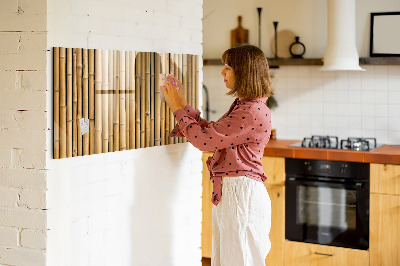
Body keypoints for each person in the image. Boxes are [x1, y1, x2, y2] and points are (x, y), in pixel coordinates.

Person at [161, 44, 273, 266]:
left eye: (228, 67)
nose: (222, 72)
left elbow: (204, 141)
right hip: (236, 193)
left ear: (244, 72)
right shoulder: (246, 106)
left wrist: (176, 107)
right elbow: (212, 133)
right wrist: (182, 104)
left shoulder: (250, 111)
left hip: (241, 195)